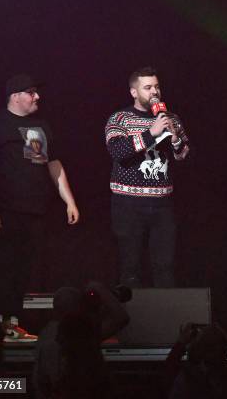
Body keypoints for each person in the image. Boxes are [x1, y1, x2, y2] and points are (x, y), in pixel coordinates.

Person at [0, 74, 80, 341]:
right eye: (31, 92)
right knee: (4, 268)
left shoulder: (40, 125)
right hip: (6, 209)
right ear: (15, 96)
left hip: (36, 210)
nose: (37, 97)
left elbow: (53, 164)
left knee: (25, 269)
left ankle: (14, 323)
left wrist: (69, 200)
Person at [105, 66, 189, 288]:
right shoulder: (120, 118)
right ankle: (129, 320)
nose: (155, 92)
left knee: (165, 266)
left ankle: (166, 320)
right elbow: (118, 152)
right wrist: (151, 133)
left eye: (157, 87)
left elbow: (182, 156)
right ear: (134, 92)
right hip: (128, 204)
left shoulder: (171, 118)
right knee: (130, 266)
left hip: (163, 205)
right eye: (148, 87)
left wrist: (174, 138)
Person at [33, 282, 129, 398]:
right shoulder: (80, 331)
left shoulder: (46, 333)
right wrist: (99, 288)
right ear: (79, 306)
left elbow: (42, 382)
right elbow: (121, 318)